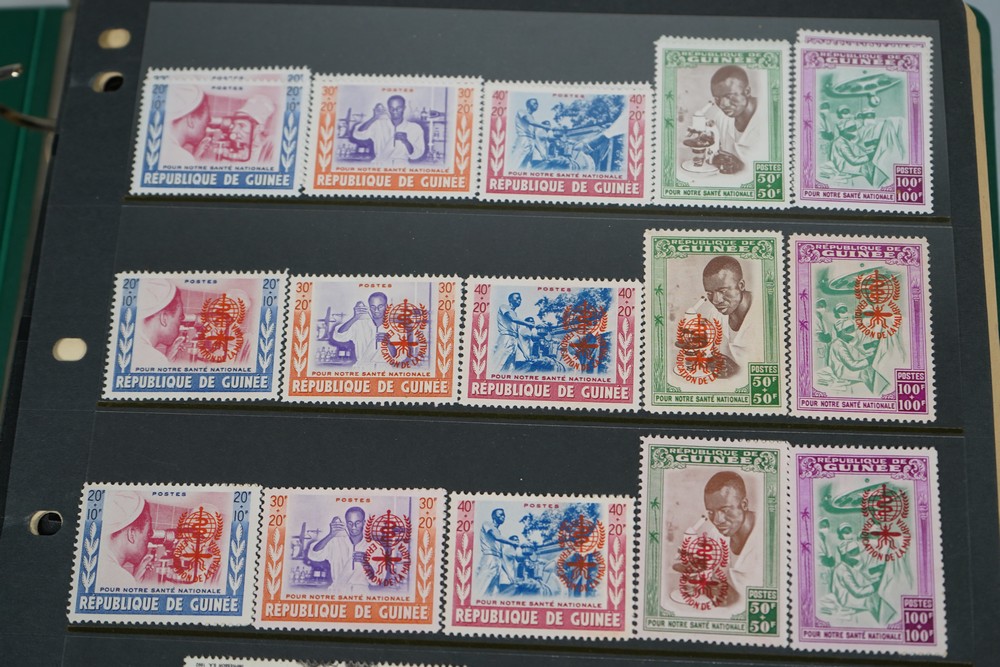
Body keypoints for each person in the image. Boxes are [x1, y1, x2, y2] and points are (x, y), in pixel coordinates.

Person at [702, 471, 762, 600]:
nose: (717, 520)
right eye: (711, 512)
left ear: (744, 505)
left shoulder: (767, 536)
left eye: (724, 510)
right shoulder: (715, 535)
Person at [702, 255, 762, 376]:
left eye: (723, 291)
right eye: (709, 293)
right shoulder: (714, 314)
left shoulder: (764, 314)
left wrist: (737, 370)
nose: (716, 300)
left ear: (741, 285)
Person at [703, 65, 767, 172]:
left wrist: (742, 167)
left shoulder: (770, 119)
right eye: (717, 98)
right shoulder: (721, 117)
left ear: (747, 91)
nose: (722, 104)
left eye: (729, 96)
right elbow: (715, 151)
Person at [308, 506, 373, 592]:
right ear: (346, 523)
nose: (353, 526)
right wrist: (331, 535)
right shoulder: (335, 542)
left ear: (364, 522)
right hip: (338, 592)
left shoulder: (372, 546)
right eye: (350, 523)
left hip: (361, 593)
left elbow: (377, 579)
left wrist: (367, 564)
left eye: (357, 523)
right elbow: (314, 555)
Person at [350, 95, 425, 166]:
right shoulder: (378, 124)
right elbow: (358, 134)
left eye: (398, 108)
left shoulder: (415, 128)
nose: (395, 110)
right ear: (388, 108)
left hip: (402, 166)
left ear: (404, 108)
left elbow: (416, 154)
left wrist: (406, 141)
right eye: (391, 108)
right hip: (380, 165)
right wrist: (374, 117)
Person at [101, 491, 155, 586]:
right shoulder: (122, 579)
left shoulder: (104, 565)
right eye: (147, 535)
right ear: (132, 535)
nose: (148, 543)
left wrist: (135, 580)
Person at [134, 279, 187, 367]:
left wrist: (167, 359)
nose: (180, 325)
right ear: (164, 318)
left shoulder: (138, 348)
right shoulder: (155, 359)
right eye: (179, 318)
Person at [333, 291, 390, 368]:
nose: (376, 310)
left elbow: (401, 356)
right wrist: (355, 317)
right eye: (373, 306)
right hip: (362, 369)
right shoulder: (359, 325)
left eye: (380, 306)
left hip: (385, 369)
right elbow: (339, 336)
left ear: (386, 306)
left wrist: (389, 343)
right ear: (369, 307)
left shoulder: (395, 327)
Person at [478, 508, 522, 595]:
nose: (503, 517)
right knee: (482, 587)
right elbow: (497, 537)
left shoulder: (499, 534)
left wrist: (509, 575)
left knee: (494, 592)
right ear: (494, 516)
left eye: (504, 515)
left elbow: (501, 558)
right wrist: (513, 542)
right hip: (489, 558)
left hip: (497, 562)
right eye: (500, 514)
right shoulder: (487, 524)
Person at [494, 292, 536, 372]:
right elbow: (513, 319)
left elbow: (517, 337)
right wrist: (529, 324)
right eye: (517, 298)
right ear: (510, 299)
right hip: (505, 338)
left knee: (509, 369)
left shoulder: (515, 315)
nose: (519, 300)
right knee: (498, 365)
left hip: (513, 342)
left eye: (520, 299)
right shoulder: (504, 307)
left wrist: (524, 353)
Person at [168, 85, 212, 159]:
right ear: (191, 120)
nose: (207, 126)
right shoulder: (183, 157)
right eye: (207, 120)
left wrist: (195, 157)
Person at [511, 98, 547, 168]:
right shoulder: (521, 111)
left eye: (537, 103)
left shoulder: (532, 118)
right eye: (534, 103)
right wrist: (545, 126)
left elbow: (534, 138)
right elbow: (530, 122)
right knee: (515, 164)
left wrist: (541, 152)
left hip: (531, 143)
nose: (536, 104)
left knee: (525, 167)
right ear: (528, 105)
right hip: (523, 140)